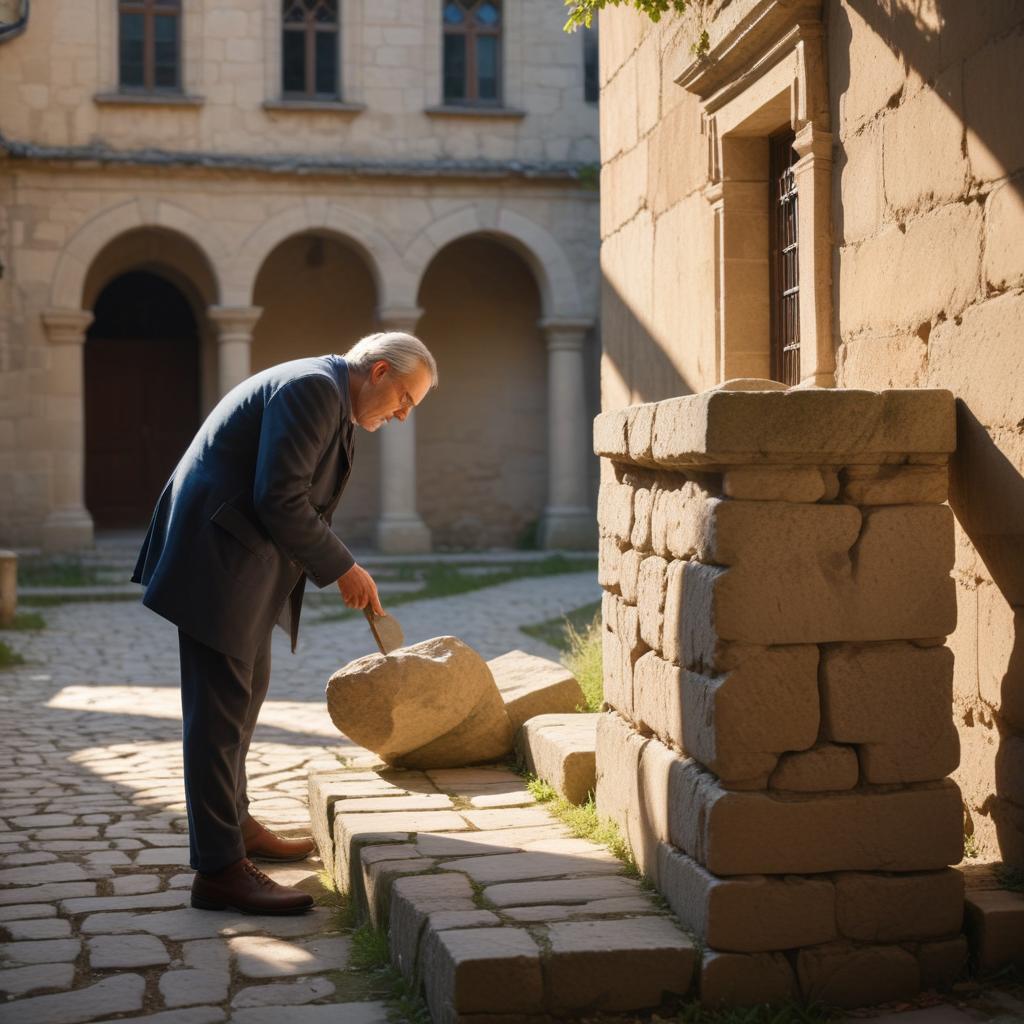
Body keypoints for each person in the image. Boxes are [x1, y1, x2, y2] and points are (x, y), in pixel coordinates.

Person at [132, 332, 438, 914]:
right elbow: (281, 498)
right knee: (218, 716)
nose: (402, 415)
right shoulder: (313, 390)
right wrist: (343, 566)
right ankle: (219, 872)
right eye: (404, 398)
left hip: (238, 565)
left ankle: (237, 829)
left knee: (243, 701)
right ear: (377, 372)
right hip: (215, 560)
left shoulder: (333, 398)